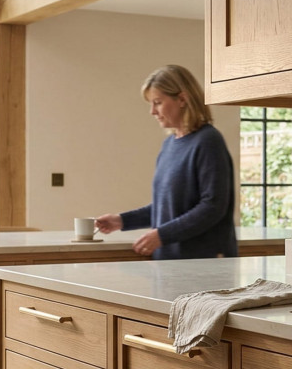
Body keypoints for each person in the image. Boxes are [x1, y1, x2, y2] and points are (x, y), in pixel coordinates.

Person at [94, 64, 237, 260]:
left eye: (158, 102)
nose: (152, 111)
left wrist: (161, 235)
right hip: (169, 262)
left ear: (182, 99)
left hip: (203, 263)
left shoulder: (208, 141)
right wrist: (121, 221)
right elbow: (167, 206)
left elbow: (212, 207)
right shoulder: (169, 145)